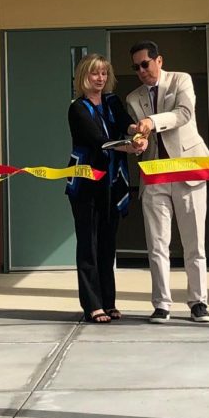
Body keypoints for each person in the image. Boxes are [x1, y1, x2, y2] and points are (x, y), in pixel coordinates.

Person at [125, 41, 209, 324]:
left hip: (187, 170)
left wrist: (151, 120)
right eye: (136, 67)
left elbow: (184, 113)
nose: (141, 71)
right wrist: (136, 139)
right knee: (157, 244)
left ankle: (198, 302)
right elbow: (137, 131)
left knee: (194, 242)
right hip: (155, 175)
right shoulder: (132, 98)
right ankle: (161, 304)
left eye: (145, 64)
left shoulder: (181, 80)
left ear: (158, 60)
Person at [66, 54, 146, 324]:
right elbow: (98, 140)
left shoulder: (111, 101)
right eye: (94, 74)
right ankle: (92, 305)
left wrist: (137, 131)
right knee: (88, 244)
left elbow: (124, 122)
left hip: (113, 182)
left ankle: (108, 301)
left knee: (107, 245)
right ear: (83, 77)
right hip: (86, 185)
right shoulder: (77, 108)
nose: (99, 79)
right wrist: (128, 146)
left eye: (103, 74)